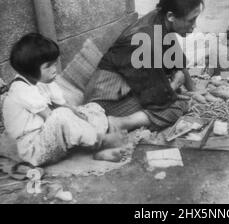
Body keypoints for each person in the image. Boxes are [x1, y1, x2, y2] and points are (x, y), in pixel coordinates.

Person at [85, 0, 203, 131]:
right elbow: (156, 98)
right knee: (178, 107)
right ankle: (119, 123)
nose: (194, 26)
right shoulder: (147, 41)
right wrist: (176, 85)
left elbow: (177, 60)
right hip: (105, 101)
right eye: (191, 20)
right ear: (171, 16)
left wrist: (193, 90)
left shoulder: (159, 17)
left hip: (123, 88)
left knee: (177, 94)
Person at [2, 33, 132, 166]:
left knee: (90, 109)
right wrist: (77, 121)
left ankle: (97, 149)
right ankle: (101, 141)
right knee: (61, 116)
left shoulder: (43, 81)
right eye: (48, 66)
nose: (54, 70)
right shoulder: (21, 90)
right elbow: (52, 116)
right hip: (35, 149)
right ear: (30, 71)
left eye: (55, 63)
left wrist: (80, 115)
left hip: (51, 139)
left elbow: (64, 105)